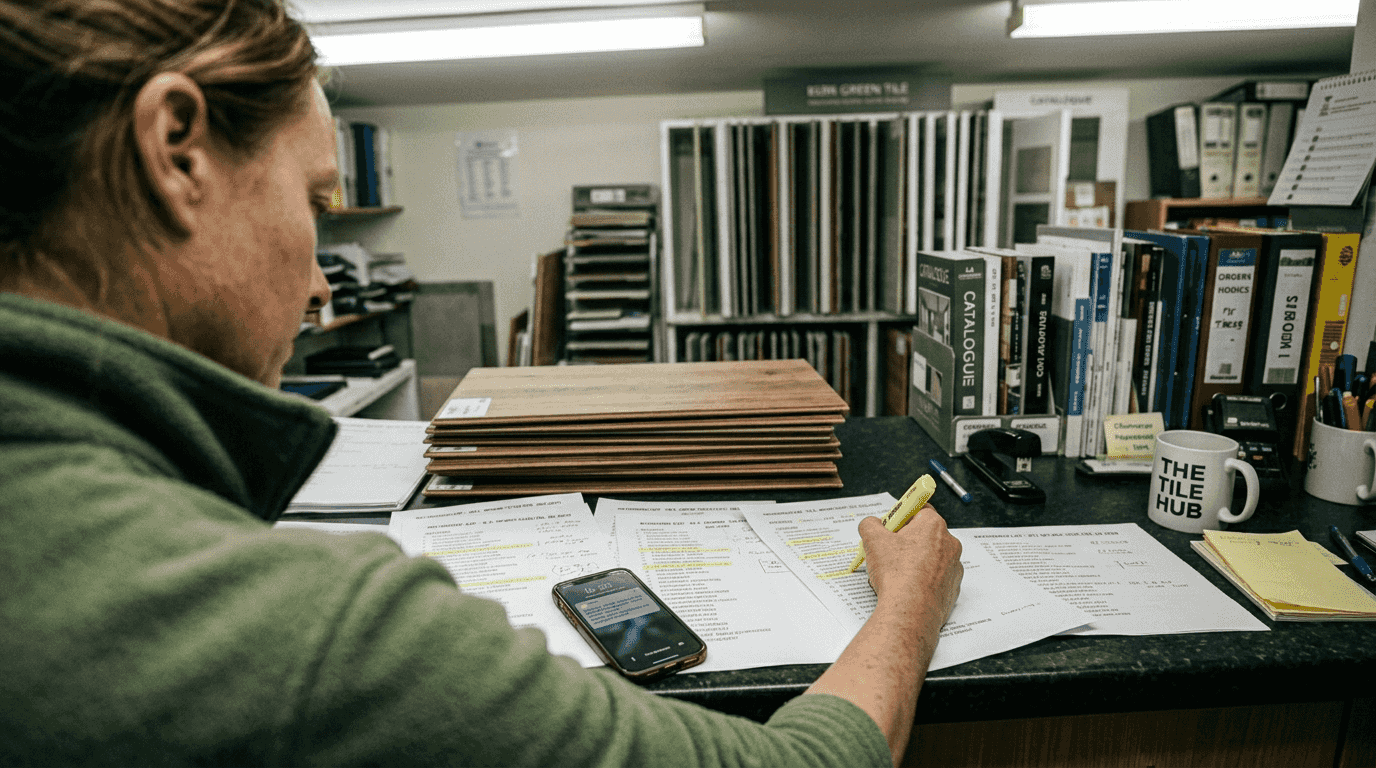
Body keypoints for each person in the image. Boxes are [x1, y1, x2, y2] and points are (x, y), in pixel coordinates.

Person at [0, 1, 963, 764]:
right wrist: (909, 606)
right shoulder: (298, 629)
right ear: (175, 148)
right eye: (312, 201)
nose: (318, 283)